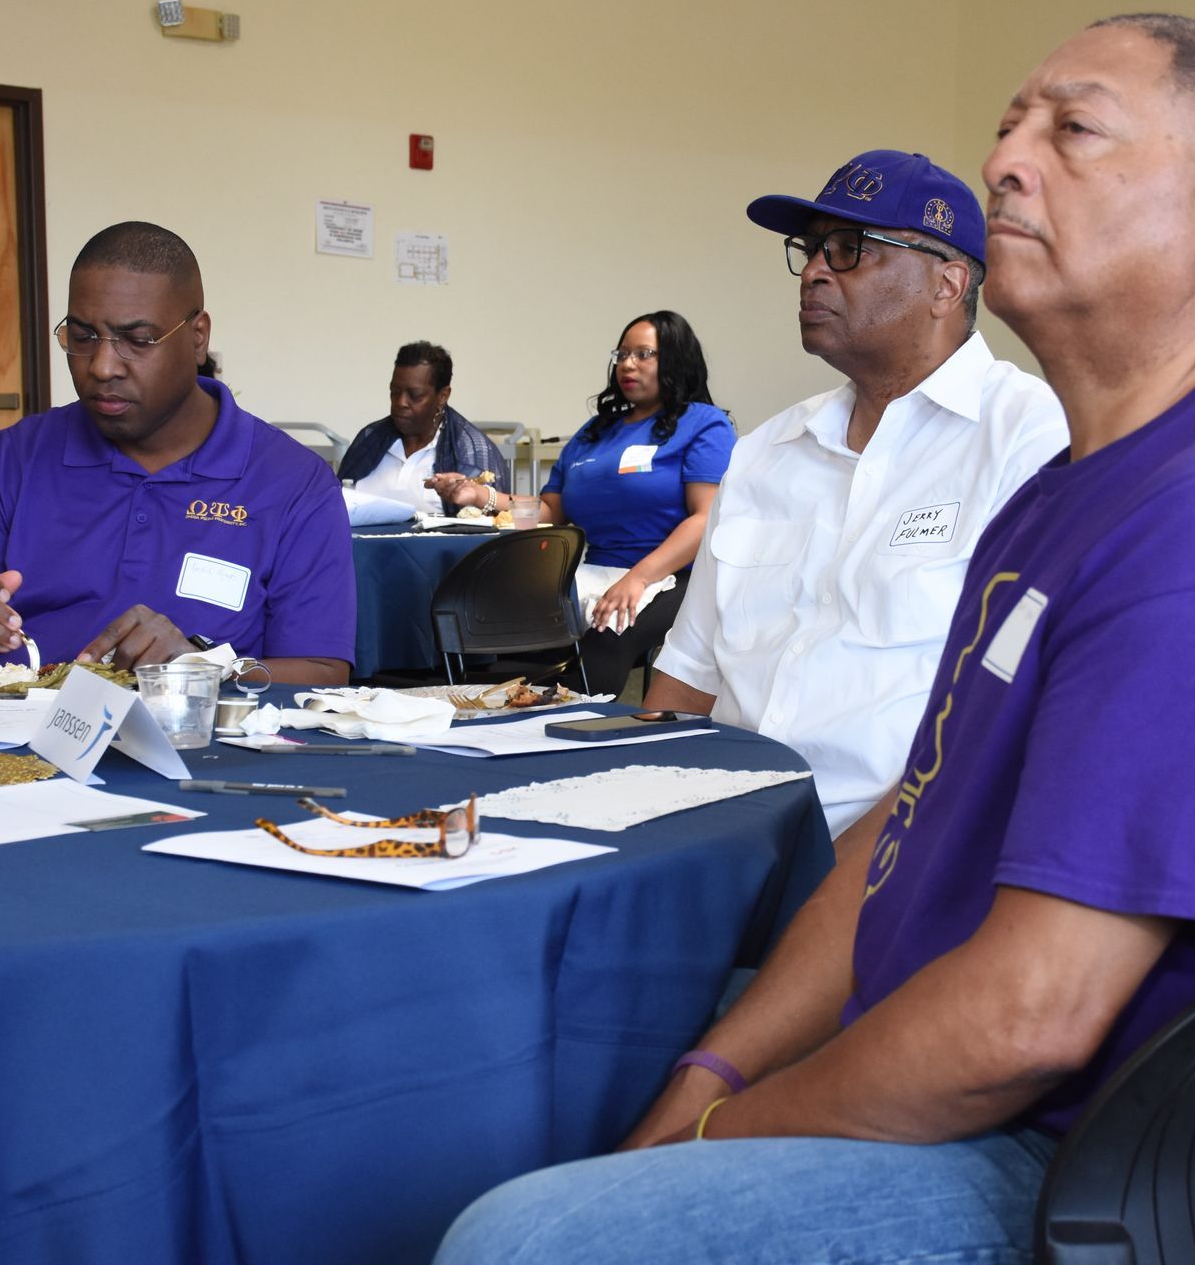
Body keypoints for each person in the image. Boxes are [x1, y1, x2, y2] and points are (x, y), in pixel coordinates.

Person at [435, 14, 1195, 1264]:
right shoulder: (1075, 487)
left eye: (1071, 129)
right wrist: (714, 1069)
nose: (1009, 160)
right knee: (555, 1081)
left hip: (1106, 1163)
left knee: (520, 1239)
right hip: (976, 1051)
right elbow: (913, 817)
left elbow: (1029, 1020)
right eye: (1009, 126)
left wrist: (714, 1135)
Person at [642, 149, 1068, 836]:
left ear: (947, 284)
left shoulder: (1030, 441)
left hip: (893, 859)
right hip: (717, 834)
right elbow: (687, 679)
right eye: (810, 249)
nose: (813, 271)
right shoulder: (764, 454)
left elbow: (1024, 717)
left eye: (847, 250)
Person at [0, 221, 354, 687]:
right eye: (82, 338)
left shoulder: (293, 483)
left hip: (202, 751)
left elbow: (322, 673)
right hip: (12, 745)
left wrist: (202, 669)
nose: (101, 367)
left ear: (198, 336)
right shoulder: (6, 462)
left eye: (138, 341)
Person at [434, 311, 734, 694]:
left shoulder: (704, 424)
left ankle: (579, 729)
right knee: (507, 628)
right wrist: (480, 496)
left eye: (644, 354)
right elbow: (548, 513)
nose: (627, 364)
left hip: (674, 576)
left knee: (606, 636)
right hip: (596, 571)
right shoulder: (595, 432)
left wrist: (638, 578)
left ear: (676, 360)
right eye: (622, 353)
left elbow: (705, 518)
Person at [337, 341, 506, 516]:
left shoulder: (472, 451)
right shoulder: (369, 439)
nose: (401, 403)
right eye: (394, 392)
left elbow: (494, 527)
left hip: (442, 544)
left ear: (443, 396)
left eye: (415, 395)